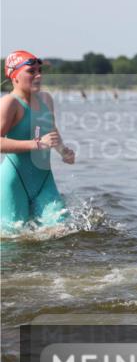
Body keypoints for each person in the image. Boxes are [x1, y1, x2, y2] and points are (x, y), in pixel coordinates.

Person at [1, 51, 75, 231]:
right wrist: (36, 144)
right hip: (14, 182)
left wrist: (63, 151)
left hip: (44, 180)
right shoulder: (10, 103)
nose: (38, 75)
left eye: (39, 70)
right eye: (31, 71)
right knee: (13, 241)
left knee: (62, 229)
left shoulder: (46, 99)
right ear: (15, 76)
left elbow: (50, 129)